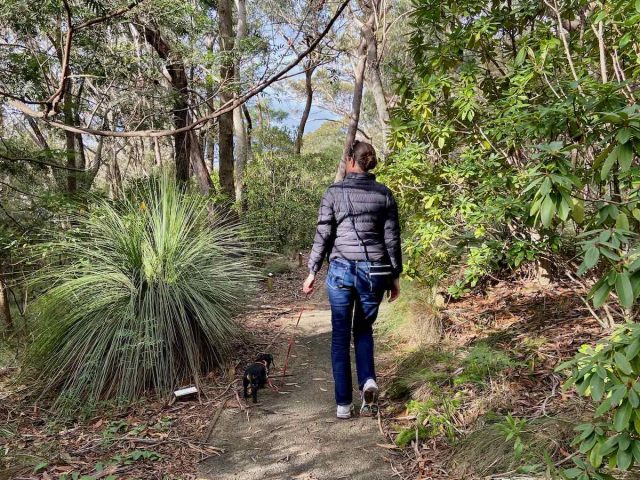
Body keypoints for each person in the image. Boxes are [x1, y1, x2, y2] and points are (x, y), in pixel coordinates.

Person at [302, 140, 402, 419]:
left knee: (340, 336)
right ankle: (368, 382)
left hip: (341, 271)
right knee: (363, 330)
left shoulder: (334, 192)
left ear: (350, 159)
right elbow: (391, 238)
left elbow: (324, 233)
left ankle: (344, 405)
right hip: (376, 272)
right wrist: (395, 276)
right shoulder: (385, 194)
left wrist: (312, 270)